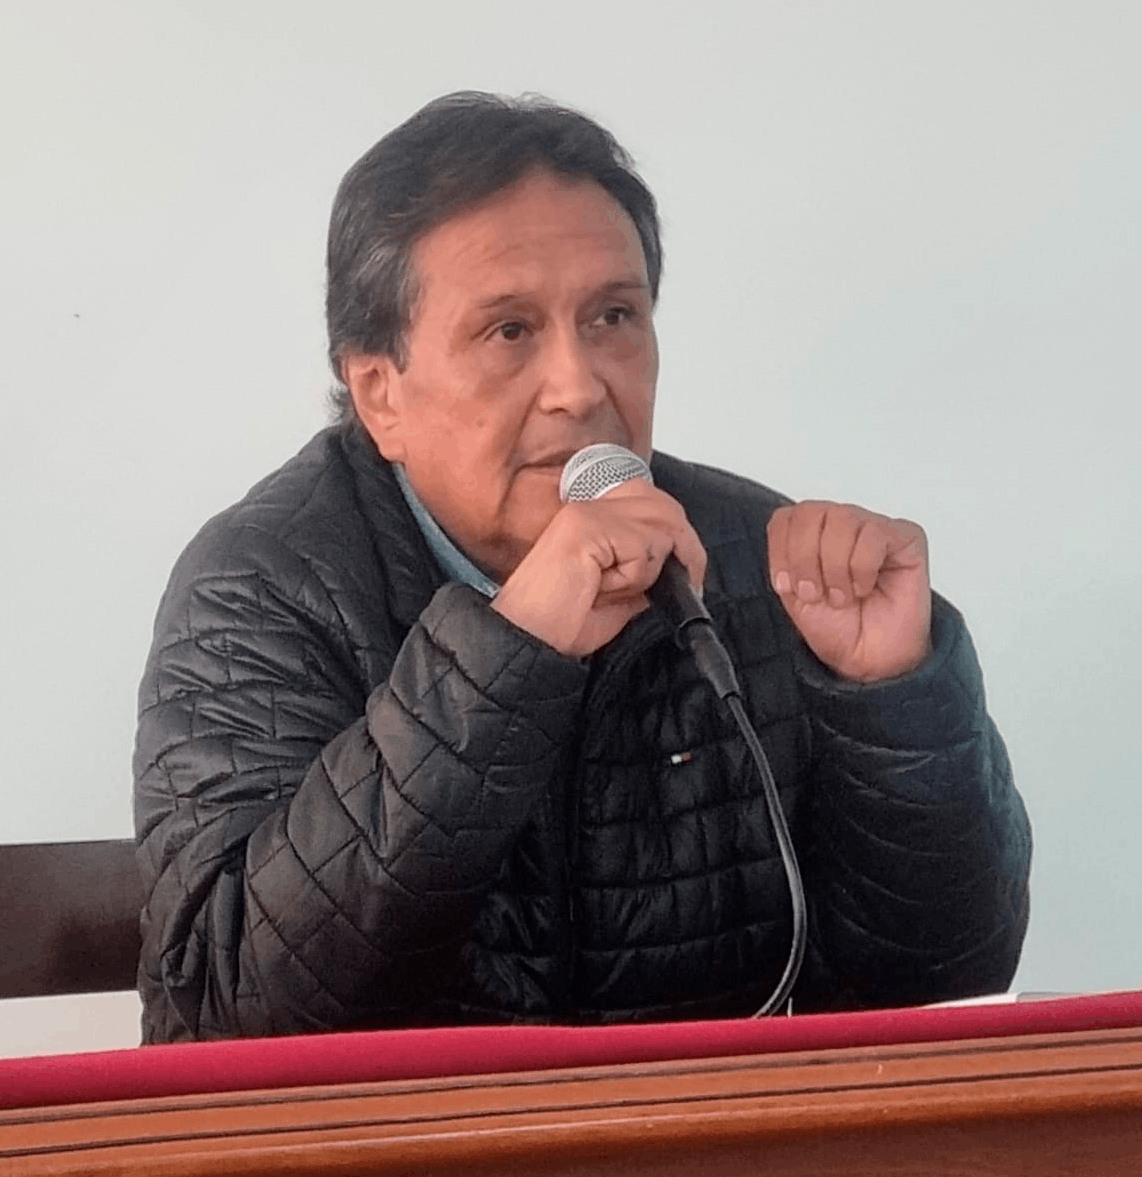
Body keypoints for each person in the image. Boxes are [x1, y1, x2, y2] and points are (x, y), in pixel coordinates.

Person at [133, 92, 1031, 1044]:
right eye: (509, 330)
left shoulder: (761, 560)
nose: (578, 386)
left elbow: (948, 978)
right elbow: (230, 1009)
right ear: (379, 393)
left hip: (702, 1123)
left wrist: (892, 707)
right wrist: (511, 651)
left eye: (613, 316)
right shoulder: (256, 590)